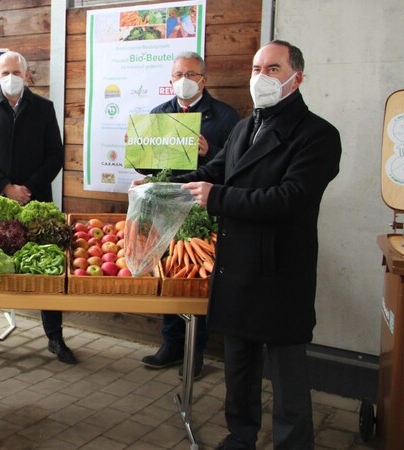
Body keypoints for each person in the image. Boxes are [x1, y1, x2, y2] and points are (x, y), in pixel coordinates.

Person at [137, 40, 341, 449]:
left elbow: (289, 198)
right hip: (236, 269)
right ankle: (240, 436)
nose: (260, 77)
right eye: (255, 68)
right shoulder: (246, 126)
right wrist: (158, 187)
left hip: (281, 270)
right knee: (240, 368)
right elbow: (215, 171)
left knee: (287, 377)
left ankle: (293, 443)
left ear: (297, 78)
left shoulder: (318, 134)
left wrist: (218, 197)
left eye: (273, 69)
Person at [0, 51, 76, 365]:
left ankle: (55, 338)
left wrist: (27, 188)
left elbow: (55, 155)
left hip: (37, 201)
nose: (11, 77)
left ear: (27, 74)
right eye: (5, 72)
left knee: (49, 268)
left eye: (16, 71)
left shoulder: (44, 108)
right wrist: (6, 187)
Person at [139, 51, 239, 379]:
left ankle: (195, 352)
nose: (183, 80)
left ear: (204, 79)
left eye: (191, 74)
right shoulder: (158, 114)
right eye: (177, 74)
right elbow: (149, 167)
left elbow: (235, 167)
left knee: (195, 281)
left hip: (203, 210)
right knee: (169, 275)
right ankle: (170, 345)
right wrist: (138, 150)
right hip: (166, 207)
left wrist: (210, 151)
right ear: (170, 81)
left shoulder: (225, 116)